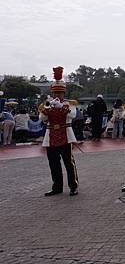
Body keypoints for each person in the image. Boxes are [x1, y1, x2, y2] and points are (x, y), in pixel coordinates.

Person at [38, 66, 79, 196]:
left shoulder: (69, 104)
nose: (57, 95)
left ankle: (74, 186)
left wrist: (61, 106)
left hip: (65, 134)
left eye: (59, 93)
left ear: (64, 93)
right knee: (53, 164)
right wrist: (48, 109)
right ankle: (57, 187)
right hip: (50, 136)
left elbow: (72, 116)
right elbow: (42, 119)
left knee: (69, 163)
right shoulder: (47, 105)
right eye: (55, 93)